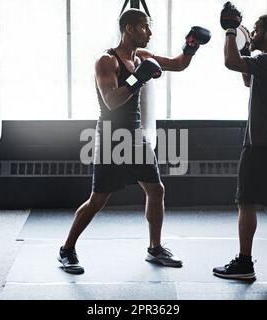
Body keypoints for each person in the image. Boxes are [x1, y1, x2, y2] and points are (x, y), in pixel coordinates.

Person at [58, 9, 211, 274]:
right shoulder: (107, 61)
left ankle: (155, 248)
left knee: (156, 190)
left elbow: (177, 64)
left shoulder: (142, 57)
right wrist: (138, 78)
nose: (149, 33)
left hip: (136, 136)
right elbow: (111, 101)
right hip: (111, 137)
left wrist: (191, 46)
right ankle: (67, 249)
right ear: (128, 28)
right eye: (144, 27)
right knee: (97, 200)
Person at [213, 2, 267, 280]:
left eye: (258, 30)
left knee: (246, 202)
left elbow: (229, 62)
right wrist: (247, 47)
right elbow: (248, 81)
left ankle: (245, 263)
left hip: (260, 143)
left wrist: (230, 32)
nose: (255, 32)